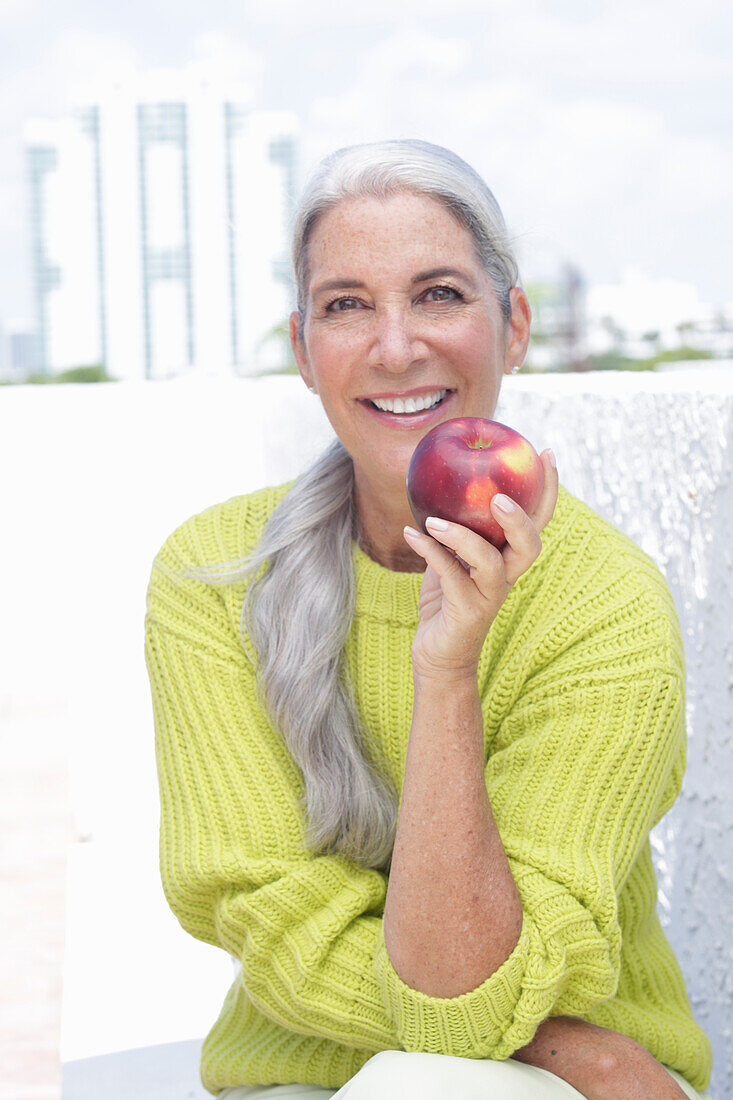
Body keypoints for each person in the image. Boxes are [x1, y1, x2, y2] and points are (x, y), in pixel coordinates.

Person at [143, 139, 713, 1100]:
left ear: (514, 325)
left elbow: (461, 1004)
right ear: (302, 350)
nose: (395, 346)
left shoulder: (601, 605)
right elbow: (278, 923)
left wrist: (446, 667)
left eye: (440, 294)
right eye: (347, 304)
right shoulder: (213, 577)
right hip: (319, 1079)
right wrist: (571, 1045)